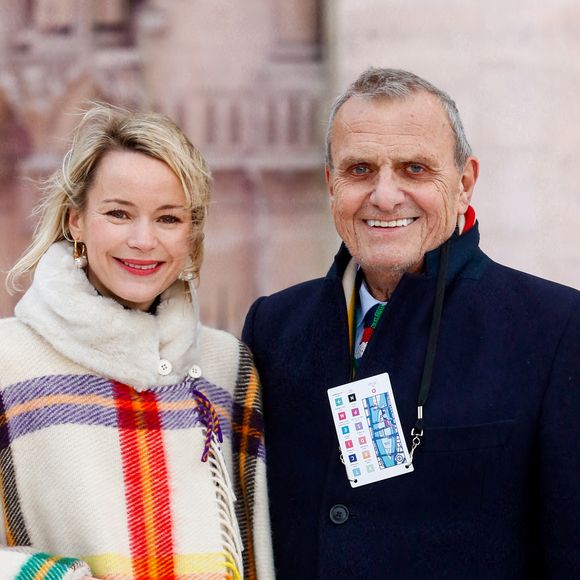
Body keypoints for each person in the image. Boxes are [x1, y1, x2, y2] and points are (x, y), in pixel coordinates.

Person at [242, 67, 580, 579]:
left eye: (415, 169)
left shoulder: (557, 328)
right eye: (359, 170)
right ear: (330, 184)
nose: (384, 196)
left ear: (464, 183)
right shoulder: (273, 327)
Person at [0, 104, 274, 579]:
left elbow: (258, 549)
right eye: (119, 214)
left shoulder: (225, 364)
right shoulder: (9, 361)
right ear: (76, 222)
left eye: (168, 219)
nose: (144, 240)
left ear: (192, 234)